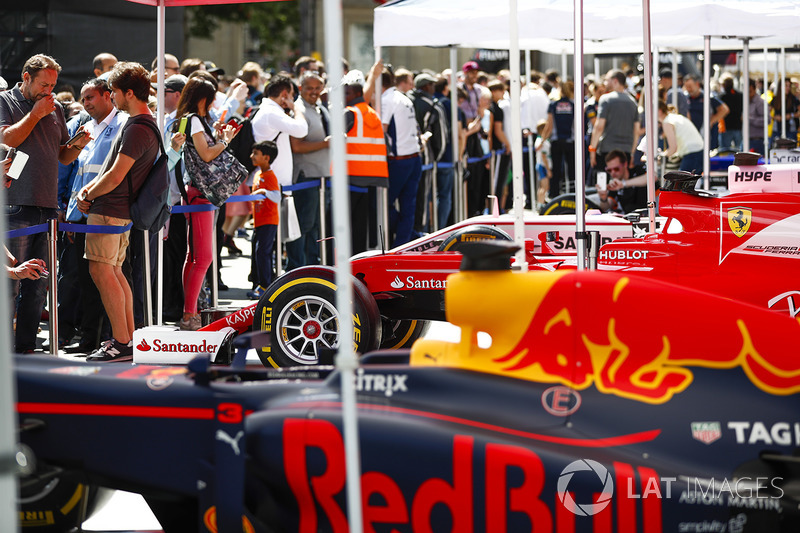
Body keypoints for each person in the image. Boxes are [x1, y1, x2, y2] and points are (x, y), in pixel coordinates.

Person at [0, 54, 89, 353]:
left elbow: (62, 156)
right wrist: (36, 114)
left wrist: (76, 145)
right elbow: (6, 140)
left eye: (52, 85)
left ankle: (24, 347)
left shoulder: (57, 108)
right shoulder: (6, 102)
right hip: (15, 204)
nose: (48, 90)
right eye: (43, 84)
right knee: (10, 281)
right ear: (26, 77)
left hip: (47, 205)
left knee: (39, 285)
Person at [74, 62, 160, 361]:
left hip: (111, 208)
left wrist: (87, 193)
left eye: (114, 91)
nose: (111, 96)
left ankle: (122, 341)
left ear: (129, 93)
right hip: (116, 209)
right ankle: (127, 340)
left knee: (103, 271)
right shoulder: (140, 123)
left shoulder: (137, 126)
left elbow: (115, 175)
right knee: (112, 272)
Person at [60, 78, 129, 353]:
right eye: (83, 98)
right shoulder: (83, 126)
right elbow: (73, 167)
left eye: (91, 97)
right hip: (81, 213)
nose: (86, 103)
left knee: (109, 277)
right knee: (85, 280)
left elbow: (117, 171)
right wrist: (71, 211)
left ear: (108, 96)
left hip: (107, 213)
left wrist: (94, 198)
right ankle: (90, 339)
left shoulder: (123, 124)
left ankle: (115, 338)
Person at [172, 76, 239, 332]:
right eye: (211, 99)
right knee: (203, 258)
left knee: (195, 257)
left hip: (195, 192)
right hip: (200, 193)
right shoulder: (195, 120)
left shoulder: (189, 119)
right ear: (203, 99)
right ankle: (190, 314)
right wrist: (225, 141)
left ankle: (190, 312)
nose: (212, 104)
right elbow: (207, 154)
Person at [287, 71, 330, 271]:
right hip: (305, 176)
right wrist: (325, 143)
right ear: (301, 88)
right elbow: (296, 146)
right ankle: (298, 269)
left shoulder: (319, 108)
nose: (314, 92)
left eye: (317, 88)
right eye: (310, 88)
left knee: (314, 227)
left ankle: (312, 268)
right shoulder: (299, 109)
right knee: (304, 226)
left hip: (320, 176)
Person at [343, 68, 388, 254]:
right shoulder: (372, 113)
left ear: (355, 93)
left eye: (346, 93)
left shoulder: (350, 113)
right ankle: (359, 260)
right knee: (361, 224)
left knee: (346, 225)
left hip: (351, 175)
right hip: (372, 176)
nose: (343, 96)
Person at [381, 66, 422, 247]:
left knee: (382, 205)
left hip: (399, 160)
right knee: (408, 206)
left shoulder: (387, 100)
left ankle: (407, 237)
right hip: (413, 157)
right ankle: (405, 241)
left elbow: (381, 130)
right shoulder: (403, 98)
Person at [589, 69, 640, 185]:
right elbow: (636, 131)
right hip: (625, 151)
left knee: (602, 185)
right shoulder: (632, 102)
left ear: (615, 81)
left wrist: (592, 149)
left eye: (607, 80)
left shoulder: (606, 99)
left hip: (607, 150)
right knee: (621, 185)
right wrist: (631, 153)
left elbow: (599, 127)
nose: (605, 83)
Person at [248, 141, 281, 298]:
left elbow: (277, 196)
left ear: (266, 158)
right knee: (258, 253)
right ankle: (259, 284)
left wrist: (264, 192)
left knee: (263, 253)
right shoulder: (257, 174)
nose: (252, 156)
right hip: (258, 221)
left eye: (256, 153)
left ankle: (266, 286)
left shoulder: (270, 176)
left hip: (269, 221)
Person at [542, 79, 575, 199]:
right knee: (572, 170)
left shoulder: (553, 105)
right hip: (571, 141)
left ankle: (554, 195)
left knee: (556, 169)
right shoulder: (574, 105)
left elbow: (549, 126)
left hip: (556, 142)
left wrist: (542, 140)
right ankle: (573, 194)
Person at [683, 73, 729, 151]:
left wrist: (712, 121)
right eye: (686, 87)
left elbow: (724, 109)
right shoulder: (686, 98)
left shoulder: (707, 97)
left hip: (707, 137)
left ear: (697, 84)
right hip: (692, 136)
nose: (688, 89)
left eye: (690, 86)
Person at [596, 149, 650, 214]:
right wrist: (603, 199)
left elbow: (653, 177)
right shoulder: (614, 185)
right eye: (609, 170)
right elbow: (606, 207)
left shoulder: (638, 171)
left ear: (625, 164)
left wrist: (623, 184)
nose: (613, 173)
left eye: (616, 169)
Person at [657, 101, 704, 173]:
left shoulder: (667, 122)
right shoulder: (674, 117)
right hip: (698, 151)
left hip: (692, 154)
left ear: (659, 111)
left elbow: (673, 148)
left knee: (681, 182)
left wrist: (661, 156)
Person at [718, 75, 743, 152]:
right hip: (737, 126)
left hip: (726, 127)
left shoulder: (722, 96)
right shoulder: (740, 95)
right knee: (739, 151)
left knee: (725, 151)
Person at [770, 77, 799, 142]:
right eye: (786, 86)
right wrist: (775, 117)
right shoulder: (775, 99)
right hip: (777, 129)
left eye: (789, 86)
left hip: (790, 129)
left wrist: (791, 115)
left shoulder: (793, 99)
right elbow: (767, 112)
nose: (788, 88)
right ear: (781, 86)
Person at [748, 78, 769, 154]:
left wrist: (750, 119)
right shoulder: (746, 101)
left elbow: (767, 120)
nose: (748, 94)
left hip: (757, 141)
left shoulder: (760, 102)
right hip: (747, 139)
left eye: (749, 91)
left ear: (754, 89)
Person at [534, 119, 552, 206]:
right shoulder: (541, 141)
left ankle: (541, 202)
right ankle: (540, 204)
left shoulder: (542, 141)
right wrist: (548, 169)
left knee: (544, 186)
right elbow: (543, 156)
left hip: (542, 165)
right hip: (543, 165)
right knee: (544, 186)